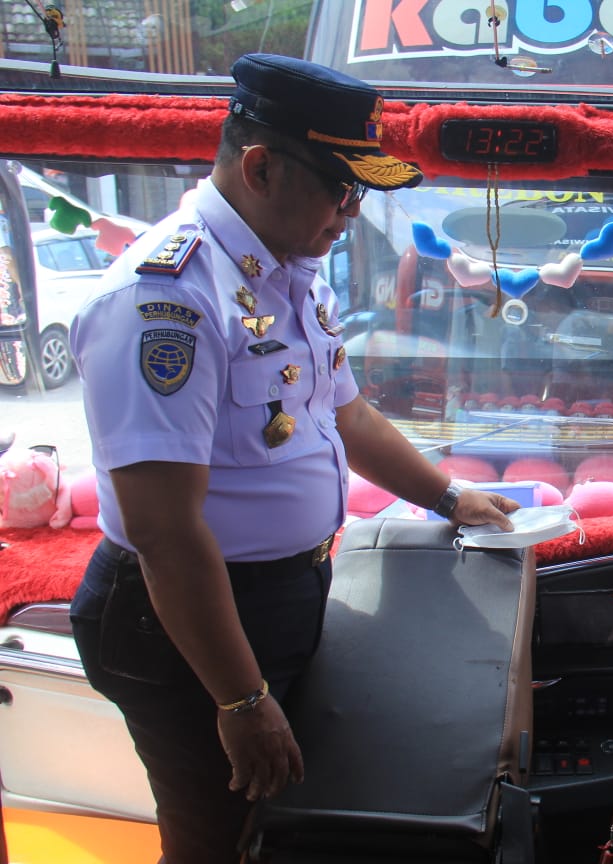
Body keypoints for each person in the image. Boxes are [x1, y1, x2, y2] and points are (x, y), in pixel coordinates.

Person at [67, 53, 519, 864]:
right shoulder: (165, 300)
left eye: (361, 193)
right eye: (340, 188)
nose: (351, 212)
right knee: (216, 838)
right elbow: (167, 535)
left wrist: (452, 499)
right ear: (261, 166)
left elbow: (342, 412)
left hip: (280, 593)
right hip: (186, 622)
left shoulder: (288, 270)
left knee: (281, 825)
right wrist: (241, 699)